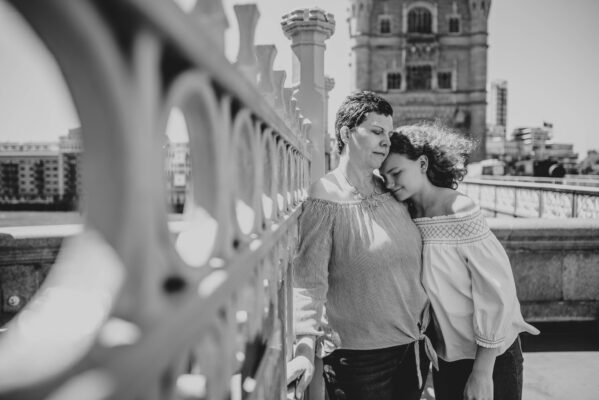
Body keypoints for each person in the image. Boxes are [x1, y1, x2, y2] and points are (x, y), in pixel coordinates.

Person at [286, 91, 434, 400]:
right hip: (357, 360)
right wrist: (303, 348)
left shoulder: (392, 188)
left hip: (412, 347)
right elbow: (308, 280)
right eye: (377, 131)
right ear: (346, 133)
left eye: (389, 134)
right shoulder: (325, 195)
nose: (386, 142)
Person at [380, 123, 540, 400]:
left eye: (397, 173)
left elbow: (496, 295)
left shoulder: (460, 211)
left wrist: (481, 373)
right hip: (447, 359)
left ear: (422, 163)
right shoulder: (404, 214)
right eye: (385, 178)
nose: (392, 184)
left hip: (491, 359)